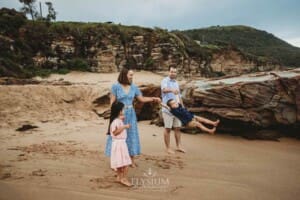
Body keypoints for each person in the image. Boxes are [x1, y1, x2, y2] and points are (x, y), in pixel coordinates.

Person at [105, 67, 161, 167]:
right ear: (124, 75)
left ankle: (131, 160)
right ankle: (115, 161)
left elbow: (142, 99)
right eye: (130, 75)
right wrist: (116, 116)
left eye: (132, 75)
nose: (132, 77)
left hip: (131, 114)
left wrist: (153, 99)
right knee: (117, 136)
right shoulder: (115, 87)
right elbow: (112, 103)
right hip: (119, 114)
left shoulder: (134, 87)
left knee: (131, 135)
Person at [161, 66, 185, 154]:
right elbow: (164, 90)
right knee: (168, 128)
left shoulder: (176, 82)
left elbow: (179, 96)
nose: (173, 73)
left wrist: (182, 106)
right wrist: (172, 90)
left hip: (177, 108)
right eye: (171, 72)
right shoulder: (164, 81)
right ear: (168, 72)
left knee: (178, 128)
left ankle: (178, 146)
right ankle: (168, 148)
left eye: (175, 72)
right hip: (168, 109)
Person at [108, 101, 132, 186]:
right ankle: (123, 178)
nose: (124, 110)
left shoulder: (117, 120)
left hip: (120, 144)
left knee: (120, 161)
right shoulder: (115, 122)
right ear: (119, 111)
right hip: (119, 144)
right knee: (125, 162)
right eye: (123, 109)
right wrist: (124, 126)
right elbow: (115, 132)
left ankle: (119, 177)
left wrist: (122, 120)